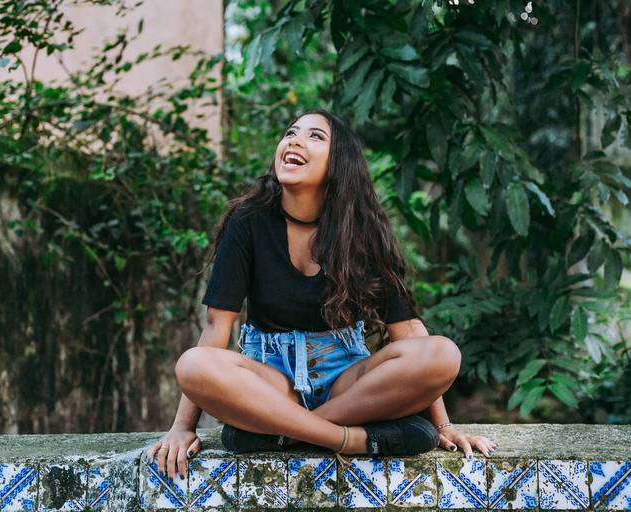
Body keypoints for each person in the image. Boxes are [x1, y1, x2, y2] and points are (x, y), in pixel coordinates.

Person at [146, 109, 497, 481]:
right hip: (271, 380)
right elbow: (218, 328)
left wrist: (442, 428)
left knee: (443, 353)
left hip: (346, 380)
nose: (295, 140)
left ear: (338, 164)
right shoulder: (247, 221)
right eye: (291, 132)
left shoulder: (362, 228)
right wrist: (183, 426)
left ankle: (280, 433)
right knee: (194, 364)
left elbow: (406, 329)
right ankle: (345, 438)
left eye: (315, 136)